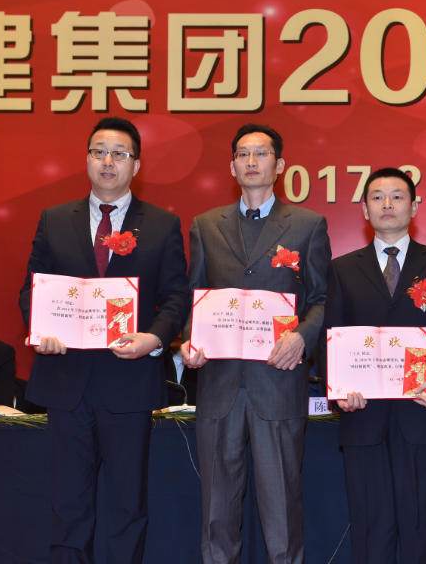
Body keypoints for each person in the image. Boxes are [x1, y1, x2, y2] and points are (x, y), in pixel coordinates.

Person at [19, 117, 190, 564]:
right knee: (68, 502)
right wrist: (41, 331)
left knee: (126, 503)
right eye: (99, 151)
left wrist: (154, 338)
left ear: (136, 165)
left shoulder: (162, 224)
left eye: (119, 153)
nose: (107, 161)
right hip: (66, 378)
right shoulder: (55, 219)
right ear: (87, 159)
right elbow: (32, 290)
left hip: (129, 382)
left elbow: (176, 296)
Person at [180, 123, 330, 564]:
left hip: (277, 382)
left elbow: (323, 300)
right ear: (231, 167)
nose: (251, 161)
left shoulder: (307, 225)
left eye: (261, 154)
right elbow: (195, 297)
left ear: (279, 166)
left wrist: (302, 337)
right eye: (243, 154)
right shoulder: (206, 225)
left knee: (282, 510)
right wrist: (189, 341)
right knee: (216, 514)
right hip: (218, 384)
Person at [317, 168, 426, 564]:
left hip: (422, 412)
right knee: (369, 527)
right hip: (363, 414)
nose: (387, 204)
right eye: (377, 197)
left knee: (421, 526)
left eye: (397, 196)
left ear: (414, 207)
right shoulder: (342, 268)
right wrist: (338, 390)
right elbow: (329, 337)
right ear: (364, 209)